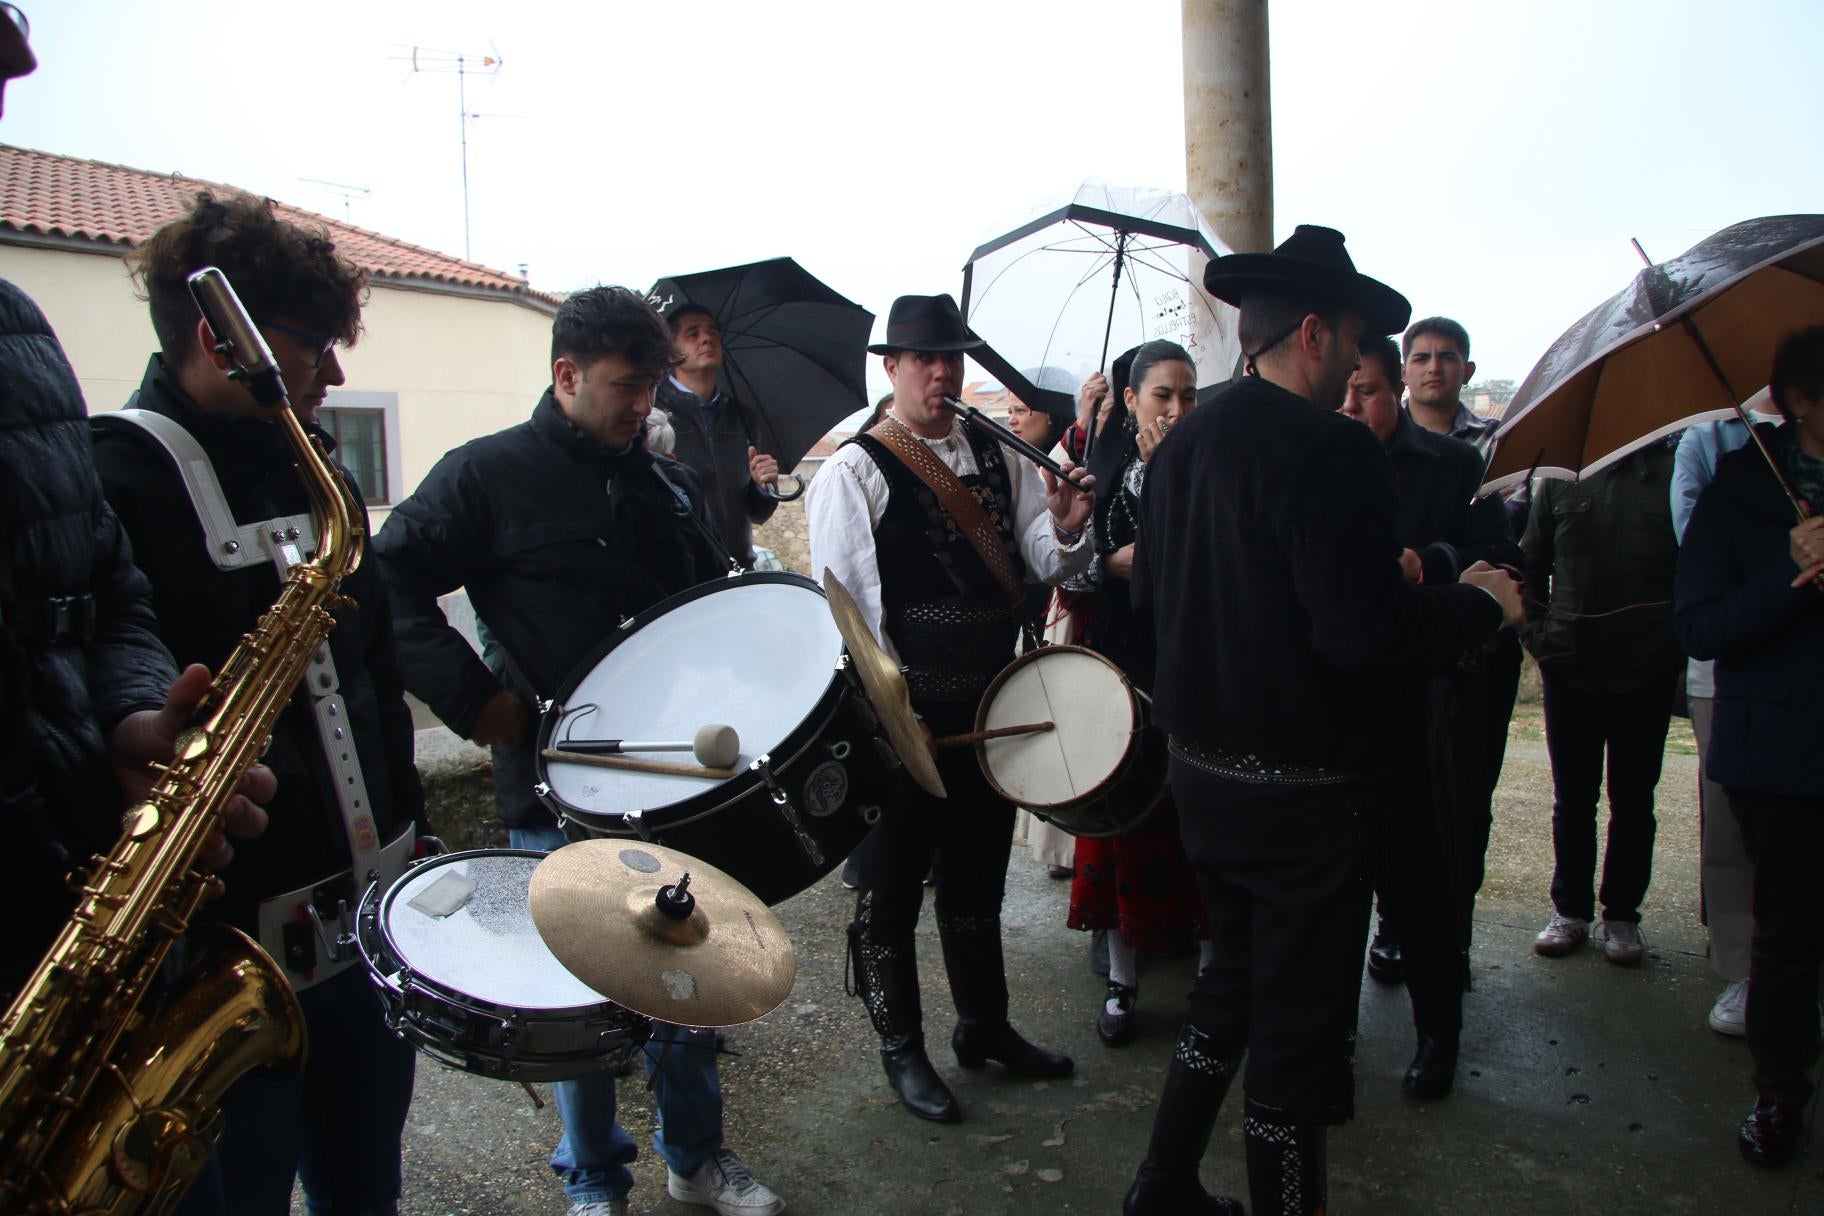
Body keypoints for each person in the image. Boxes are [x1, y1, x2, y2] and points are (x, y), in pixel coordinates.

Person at [1120, 226, 1521, 1216]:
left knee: (1230, 987)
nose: (1355, 362)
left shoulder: (1184, 443)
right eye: (1350, 339)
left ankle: (1161, 1186)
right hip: (1305, 804)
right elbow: (1361, 637)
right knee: (1295, 1052)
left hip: (1206, 781)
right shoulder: (1332, 446)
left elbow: (1166, 606)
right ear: (1310, 331)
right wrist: (1480, 604)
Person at [373, 287, 783, 1216]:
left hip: (669, 782)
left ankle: (698, 1157)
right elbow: (387, 579)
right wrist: (474, 699)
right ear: (567, 376)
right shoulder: (483, 476)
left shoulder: (663, 483)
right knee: (580, 995)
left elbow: (711, 605)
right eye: (628, 387)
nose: (645, 406)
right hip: (551, 794)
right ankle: (593, 1175)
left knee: (685, 976)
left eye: (653, 387)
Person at [91, 191, 427, 1216]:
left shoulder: (318, 463)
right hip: (223, 951)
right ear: (216, 335)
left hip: (362, 928)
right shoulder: (115, 473)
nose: (333, 373)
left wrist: (407, 837)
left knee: (367, 1182)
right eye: (312, 346)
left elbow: (370, 674)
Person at [0, 6, 270, 1009]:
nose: (22, 65)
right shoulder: (135, 451)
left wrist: (124, 713)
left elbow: (106, 588)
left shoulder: (18, 331)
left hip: (69, 927)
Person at [806, 292, 1093, 1124]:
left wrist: (1067, 527)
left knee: (977, 878)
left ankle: (985, 1027)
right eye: (923, 359)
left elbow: (1038, 557)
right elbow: (852, 618)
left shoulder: (998, 455)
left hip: (992, 702)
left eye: (951, 357)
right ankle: (903, 1050)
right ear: (890, 367)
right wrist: (898, 720)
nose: (941, 372)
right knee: (892, 891)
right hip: (908, 721)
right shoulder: (857, 471)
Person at [1339, 335, 1522, 1098]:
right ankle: (1332, 1036)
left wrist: (1428, 562)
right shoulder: (1321, 465)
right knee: (1340, 882)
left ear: (1398, 390)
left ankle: (1437, 1033)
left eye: (1370, 392)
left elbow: (1498, 557)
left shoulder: (1452, 465)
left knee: (1427, 875)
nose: (1354, 407)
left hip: (1429, 700)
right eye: (1345, 394)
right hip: (1342, 705)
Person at [1677, 324, 1824, 1168]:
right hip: (1786, 753)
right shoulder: (1742, 488)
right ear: (1801, 401)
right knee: (1790, 935)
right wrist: (1790, 574)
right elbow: (1701, 623)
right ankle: (1780, 1091)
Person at [1060, 339, 1211, 1047]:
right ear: (1130, 398)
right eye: (1163, 396)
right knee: (1122, 824)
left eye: (1187, 396)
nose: (1178, 409)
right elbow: (1076, 569)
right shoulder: (1102, 465)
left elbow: (1204, 564)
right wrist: (1102, 561)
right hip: (1120, 669)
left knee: (1199, 830)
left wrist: (1134, 563)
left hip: (1195, 671)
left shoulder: (1209, 468)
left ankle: (1212, 979)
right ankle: (1123, 981)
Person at [1522, 440, 1683, 965]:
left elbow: (1691, 568)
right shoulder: (1560, 480)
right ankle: (1570, 910)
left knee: (1635, 801)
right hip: (1571, 665)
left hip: (1646, 666)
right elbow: (1530, 566)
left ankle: (1622, 915)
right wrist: (1541, 639)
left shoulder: (1670, 474)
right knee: (1573, 797)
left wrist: (1671, 647)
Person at [1672, 407, 1782, 1035]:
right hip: (1730, 674)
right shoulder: (1710, 444)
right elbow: (1697, 551)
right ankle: (1744, 971)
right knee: (1733, 827)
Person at [658, 303, 780, 567]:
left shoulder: (743, 417)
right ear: (670, 352)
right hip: (683, 573)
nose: (707, 338)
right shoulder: (654, 413)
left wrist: (763, 488)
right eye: (692, 334)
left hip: (738, 569)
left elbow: (756, 512)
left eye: (713, 331)